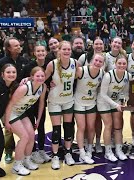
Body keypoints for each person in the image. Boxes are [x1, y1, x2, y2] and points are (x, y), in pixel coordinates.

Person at [5, 67, 47, 176]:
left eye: (42, 76)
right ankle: (17, 166)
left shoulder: (43, 87)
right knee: (24, 137)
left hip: (21, 112)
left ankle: (26, 160)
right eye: (38, 76)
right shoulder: (24, 88)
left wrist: (38, 119)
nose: (40, 78)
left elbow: (41, 103)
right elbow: (10, 104)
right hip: (11, 113)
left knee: (32, 135)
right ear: (32, 77)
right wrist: (6, 122)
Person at [45, 41, 77, 169]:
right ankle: (55, 155)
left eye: (69, 49)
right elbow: (43, 79)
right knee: (56, 130)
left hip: (68, 100)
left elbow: (83, 76)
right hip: (55, 101)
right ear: (59, 50)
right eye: (64, 49)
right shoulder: (52, 64)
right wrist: (47, 88)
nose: (67, 51)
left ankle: (68, 152)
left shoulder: (75, 63)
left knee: (68, 127)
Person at [0, 37, 29, 164]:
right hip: (6, 99)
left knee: (26, 126)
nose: (19, 47)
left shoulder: (24, 60)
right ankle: (9, 151)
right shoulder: (2, 62)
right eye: (15, 46)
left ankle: (27, 150)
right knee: (8, 127)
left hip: (22, 99)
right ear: (8, 48)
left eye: (19, 44)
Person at [19, 44, 52, 164]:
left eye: (43, 50)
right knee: (30, 128)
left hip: (41, 101)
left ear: (46, 52)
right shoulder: (28, 66)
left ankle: (42, 150)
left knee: (41, 125)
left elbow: (52, 80)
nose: (40, 53)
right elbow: (21, 81)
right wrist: (25, 80)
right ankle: (32, 152)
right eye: (38, 51)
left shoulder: (49, 65)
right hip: (28, 103)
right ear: (34, 53)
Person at [97, 55, 130, 162]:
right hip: (103, 102)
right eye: (119, 63)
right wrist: (116, 105)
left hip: (116, 102)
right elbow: (102, 94)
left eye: (124, 63)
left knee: (118, 126)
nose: (121, 65)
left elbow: (125, 92)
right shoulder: (108, 76)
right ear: (115, 64)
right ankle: (108, 151)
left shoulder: (128, 76)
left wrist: (124, 100)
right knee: (108, 125)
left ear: (127, 65)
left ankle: (119, 150)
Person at [74, 53, 105, 163]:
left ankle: (90, 149)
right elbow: (66, 78)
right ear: (91, 61)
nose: (97, 63)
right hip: (79, 103)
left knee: (91, 127)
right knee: (81, 127)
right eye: (96, 60)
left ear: (103, 64)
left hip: (91, 102)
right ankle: (82, 152)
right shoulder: (81, 70)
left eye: (100, 61)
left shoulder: (102, 73)